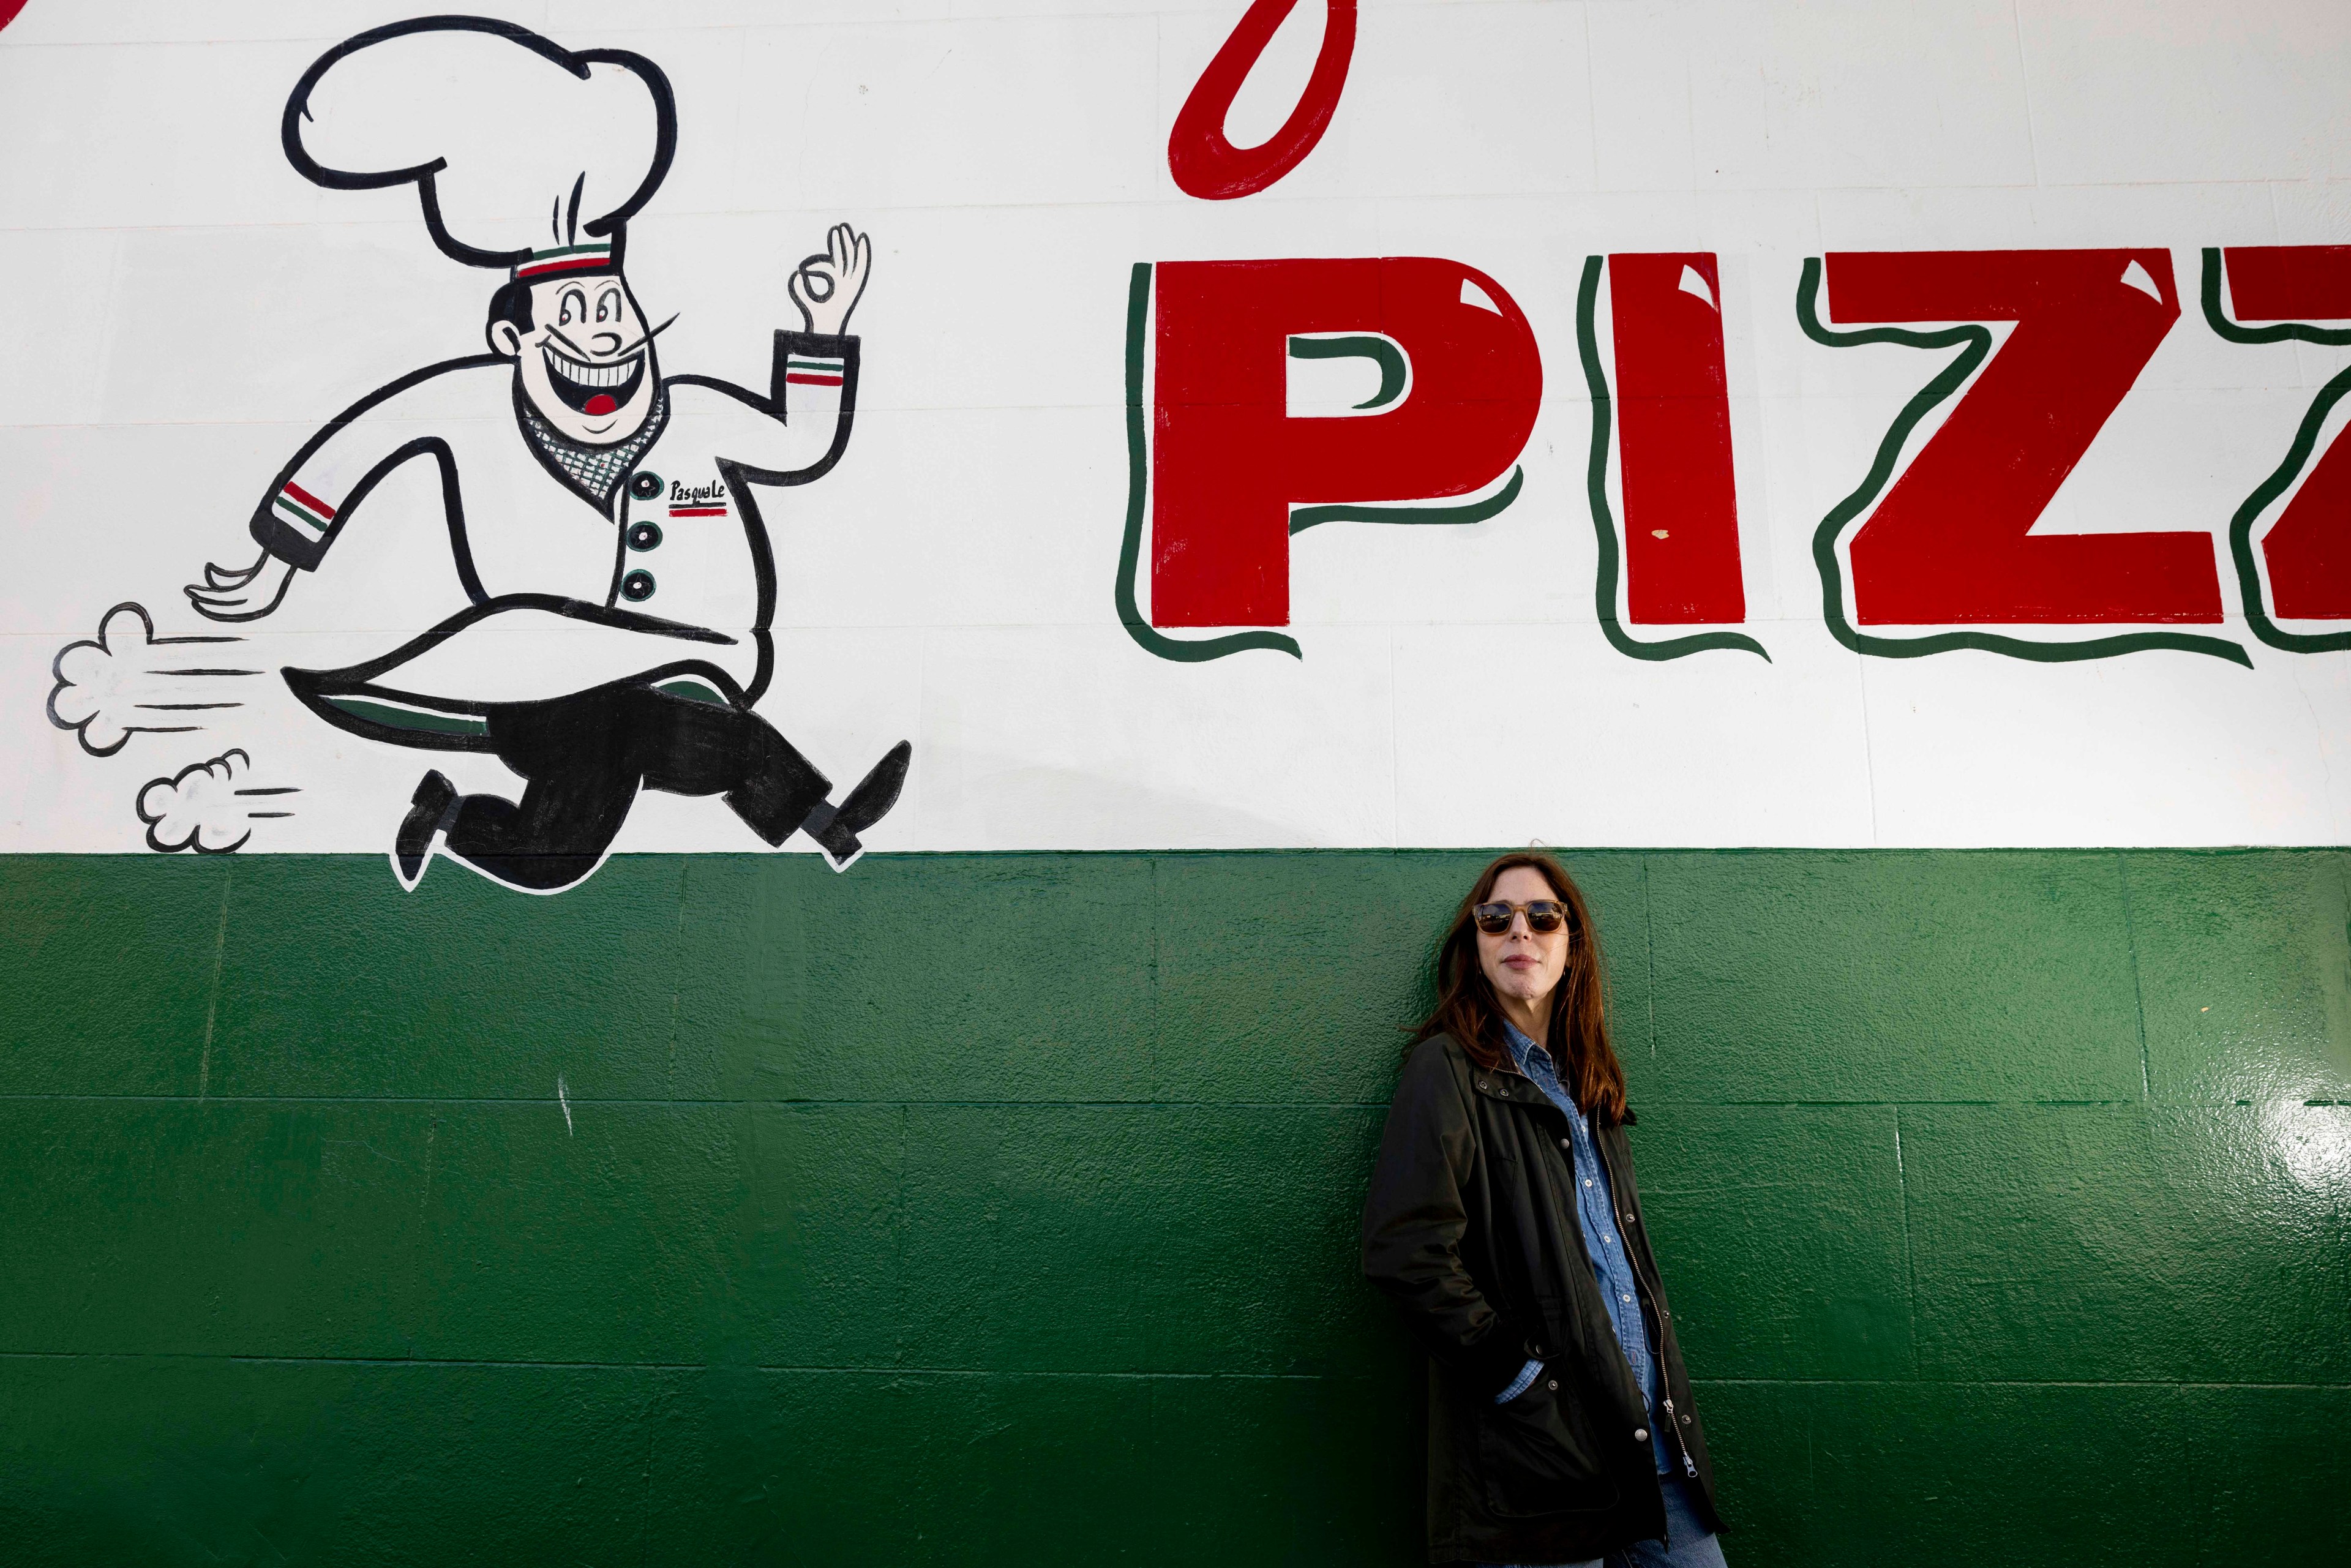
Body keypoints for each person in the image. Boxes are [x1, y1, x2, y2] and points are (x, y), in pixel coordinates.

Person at [181, 17, 909, 893]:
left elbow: (799, 443)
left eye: (611, 310)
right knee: (574, 833)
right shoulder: (469, 402)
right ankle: (460, 816)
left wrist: (820, 332)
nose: (600, 335)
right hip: (535, 685)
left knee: (706, 746)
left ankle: (825, 823)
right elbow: (357, 443)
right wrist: (274, 563)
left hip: (669, 672)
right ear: (511, 338)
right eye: (572, 315)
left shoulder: (697, 413)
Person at [1362, 851, 1727, 1567]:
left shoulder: (1589, 1084)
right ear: (1475, 945)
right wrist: (1523, 1382)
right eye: (1495, 919)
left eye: (1541, 916)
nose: (1517, 931)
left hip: (1648, 1447)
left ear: (1572, 943)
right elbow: (1406, 1251)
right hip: (1537, 1463)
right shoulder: (1447, 1069)